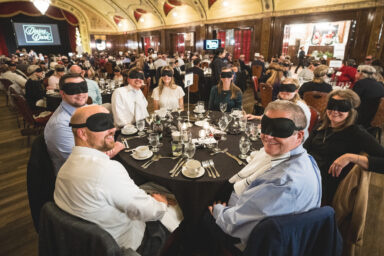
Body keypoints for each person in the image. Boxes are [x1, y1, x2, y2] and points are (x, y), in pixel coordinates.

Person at [204, 100, 321, 253]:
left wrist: (218, 211)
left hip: (262, 245)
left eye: (281, 129)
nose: (268, 136)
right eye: (265, 126)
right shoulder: (308, 160)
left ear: (299, 136)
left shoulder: (282, 182)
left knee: (201, 213)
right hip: (284, 234)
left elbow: (235, 224)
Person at [54, 105, 170, 255]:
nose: (113, 129)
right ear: (82, 133)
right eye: (102, 124)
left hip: (85, 245)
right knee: (174, 213)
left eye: (111, 122)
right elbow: (147, 211)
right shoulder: (107, 170)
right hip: (124, 246)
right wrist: (162, 204)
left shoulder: (65, 168)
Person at [304, 89, 384, 203]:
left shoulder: (356, 133)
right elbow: (305, 150)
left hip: (325, 188)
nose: (335, 111)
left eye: (341, 107)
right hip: (306, 176)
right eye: (331, 105)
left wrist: (350, 157)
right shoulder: (321, 126)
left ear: (350, 111)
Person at [44, 73, 124, 174]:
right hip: (80, 175)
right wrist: (115, 148)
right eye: (72, 89)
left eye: (83, 87)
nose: (80, 94)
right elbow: (82, 162)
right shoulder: (60, 125)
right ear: (62, 93)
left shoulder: (84, 108)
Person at [353, 65, 384, 129]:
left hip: (361, 118)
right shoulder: (380, 85)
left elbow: (352, 100)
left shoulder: (360, 83)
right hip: (376, 117)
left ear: (360, 73)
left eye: (357, 72)